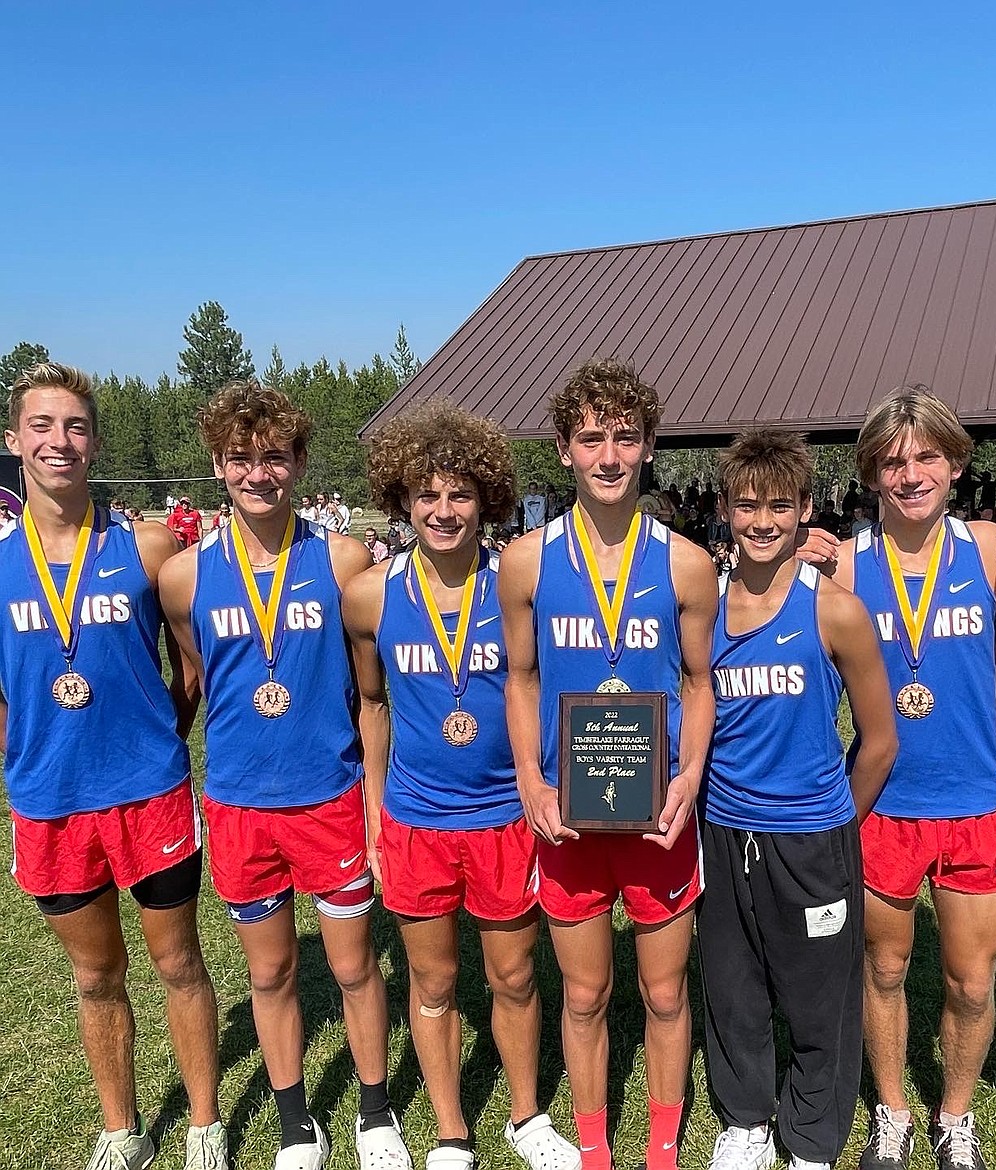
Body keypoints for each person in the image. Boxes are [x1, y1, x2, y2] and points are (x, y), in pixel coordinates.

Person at [159, 380, 410, 1170]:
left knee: (352, 966)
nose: (257, 473)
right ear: (218, 464)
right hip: (240, 807)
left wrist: (376, 801)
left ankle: (374, 1114)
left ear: (299, 462)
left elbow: (372, 693)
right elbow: (197, 678)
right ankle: (298, 1123)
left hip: (328, 799)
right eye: (240, 458)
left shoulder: (341, 558)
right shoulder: (184, 577)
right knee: (269, 972)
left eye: (274, 457)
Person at [829, 386, 996, 1170]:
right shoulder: (846, 565)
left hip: (973, 805)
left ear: (956, 463)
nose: (910, 473)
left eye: (926, 455)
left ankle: (954, 1114)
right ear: (870, 473)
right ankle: (892, 1109)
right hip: (885, 807)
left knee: (969, 981)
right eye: (892, 460)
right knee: (884, 968)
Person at [0, 362, 226, 1170]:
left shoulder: (146, 544)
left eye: (75, 426)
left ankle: (204, 1123)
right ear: (14, 440)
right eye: (42, 426)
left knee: (179, 961)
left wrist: (161, 733)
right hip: (50, 800)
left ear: (93, 442)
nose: (58, 441)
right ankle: (121, 1127)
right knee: (96, 976)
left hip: (149, 791)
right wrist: (26, 748)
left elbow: (190, 664)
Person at [344, 399, 580, 1170]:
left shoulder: (519, 584)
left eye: (460, 494)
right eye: (427, 494)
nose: (443, 511)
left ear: (488, 498)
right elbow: (371, 703)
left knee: (512, 975)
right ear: (401, 500)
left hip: (506, 817)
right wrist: (377, 811)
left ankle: (524, 1116)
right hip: (416, 820)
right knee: (434, 978)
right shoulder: (372, 596)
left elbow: (545, 687)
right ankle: (451, 1130)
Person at [499, 357, 718, 1170]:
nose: (609, 456)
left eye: (626, 437)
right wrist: (529, 775)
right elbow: (519, 677)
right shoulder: (524, 561)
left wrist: (689, 776)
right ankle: (594, 1147)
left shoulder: (688, 562)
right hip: (569, 812)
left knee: (664, 991)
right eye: (590, 439)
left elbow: (700, 683)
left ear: (651, 444)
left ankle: (661, 1146)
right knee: (585, 993)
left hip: (656, 812)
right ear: (563, 449)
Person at [698, 428, 897, 1170]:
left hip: (812, 837)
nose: (762, 522)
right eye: (746, 505)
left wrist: (834, 818)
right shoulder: (704, 609)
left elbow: (879, 740)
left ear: (806, 508)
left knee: (819, 999)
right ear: (724, 509)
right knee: (734, 988)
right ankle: (747, 1121)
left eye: (780, 506)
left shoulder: (834, 609)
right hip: (722, 832)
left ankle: (812, 1139)